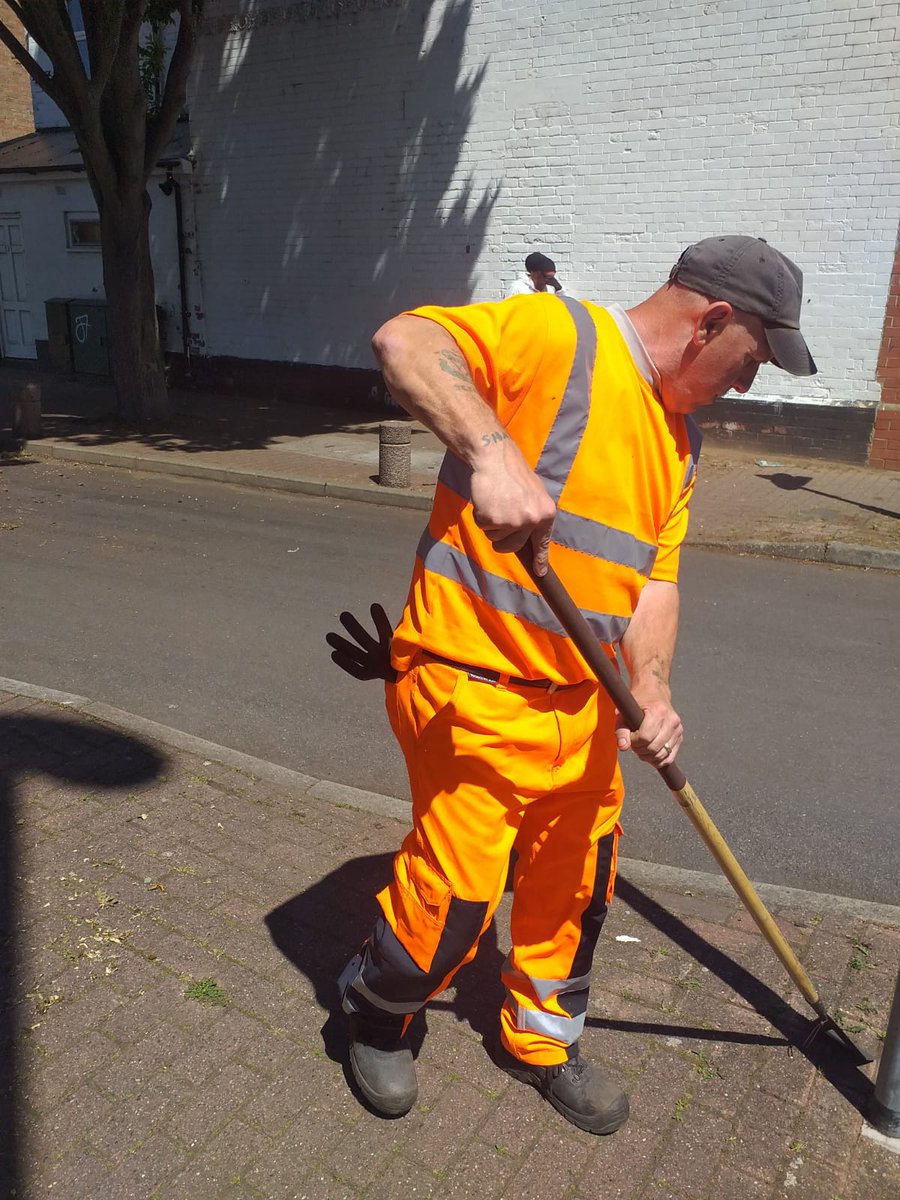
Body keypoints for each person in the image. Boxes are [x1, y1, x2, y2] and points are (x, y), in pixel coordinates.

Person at [335, 235, 816, 1134]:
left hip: (587, 711)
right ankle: (375, 1009)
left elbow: (654, 582)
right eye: (750, 361)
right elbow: (405, 342)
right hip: (475, 686)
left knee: (578, 894)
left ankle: (541, 1042)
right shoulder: (562, 335)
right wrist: (491, 449)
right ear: (711, 321)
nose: (748, 385)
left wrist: (656, 692)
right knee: (457, 906)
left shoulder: (680, 444)